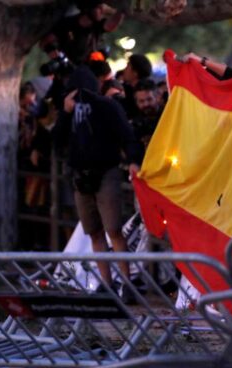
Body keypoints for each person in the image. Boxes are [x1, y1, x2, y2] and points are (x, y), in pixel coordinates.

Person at [52, 66, 142, 302]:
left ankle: (127, 283)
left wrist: (133, 160)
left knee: (114, 229)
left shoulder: (107, 107)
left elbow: (126, 135)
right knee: (94, 231)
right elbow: (57, 141)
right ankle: (106, 283)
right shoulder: (69, 111)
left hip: (105, 172)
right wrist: (65, 113)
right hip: (81, 175)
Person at [42, 0, 123, 65]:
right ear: (88, 9)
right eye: (98, 7)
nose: (102, 10)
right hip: (72, 66)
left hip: (87, 67)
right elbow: (45, 41)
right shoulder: (67, 24)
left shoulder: (97, 25)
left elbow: (111, 25)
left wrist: (122, 10)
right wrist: (50, 50)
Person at [131, 79, 163, 148]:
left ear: (158, 97)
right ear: (136, 103)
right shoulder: (135, 125)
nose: (146, 104)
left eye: (149, 99)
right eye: (141, 101)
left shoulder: (169, 117)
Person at [121, 54, 153, 119]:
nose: (124, 70)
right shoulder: (124, 90)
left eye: (127, 66)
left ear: (135, 73)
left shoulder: (127, 94)